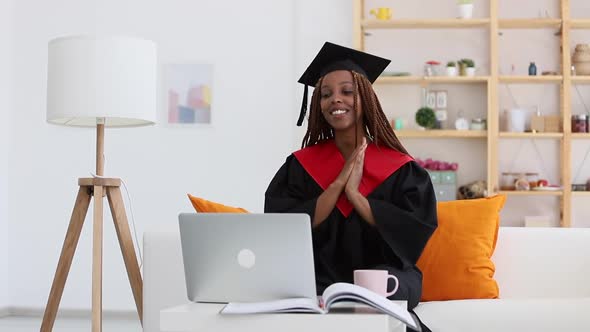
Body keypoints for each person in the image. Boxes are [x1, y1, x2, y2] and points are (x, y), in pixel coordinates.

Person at [264, 42, 437, 331]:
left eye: (347, 91)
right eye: (326, 94)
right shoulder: (300, 165)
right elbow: (282, 229)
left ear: (366, 98)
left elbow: (413, 232)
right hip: (320, 276)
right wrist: (337, 185)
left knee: (380, 288)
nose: (335, 100)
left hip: (386, 276)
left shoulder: (401, 168)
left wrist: (356, 196)